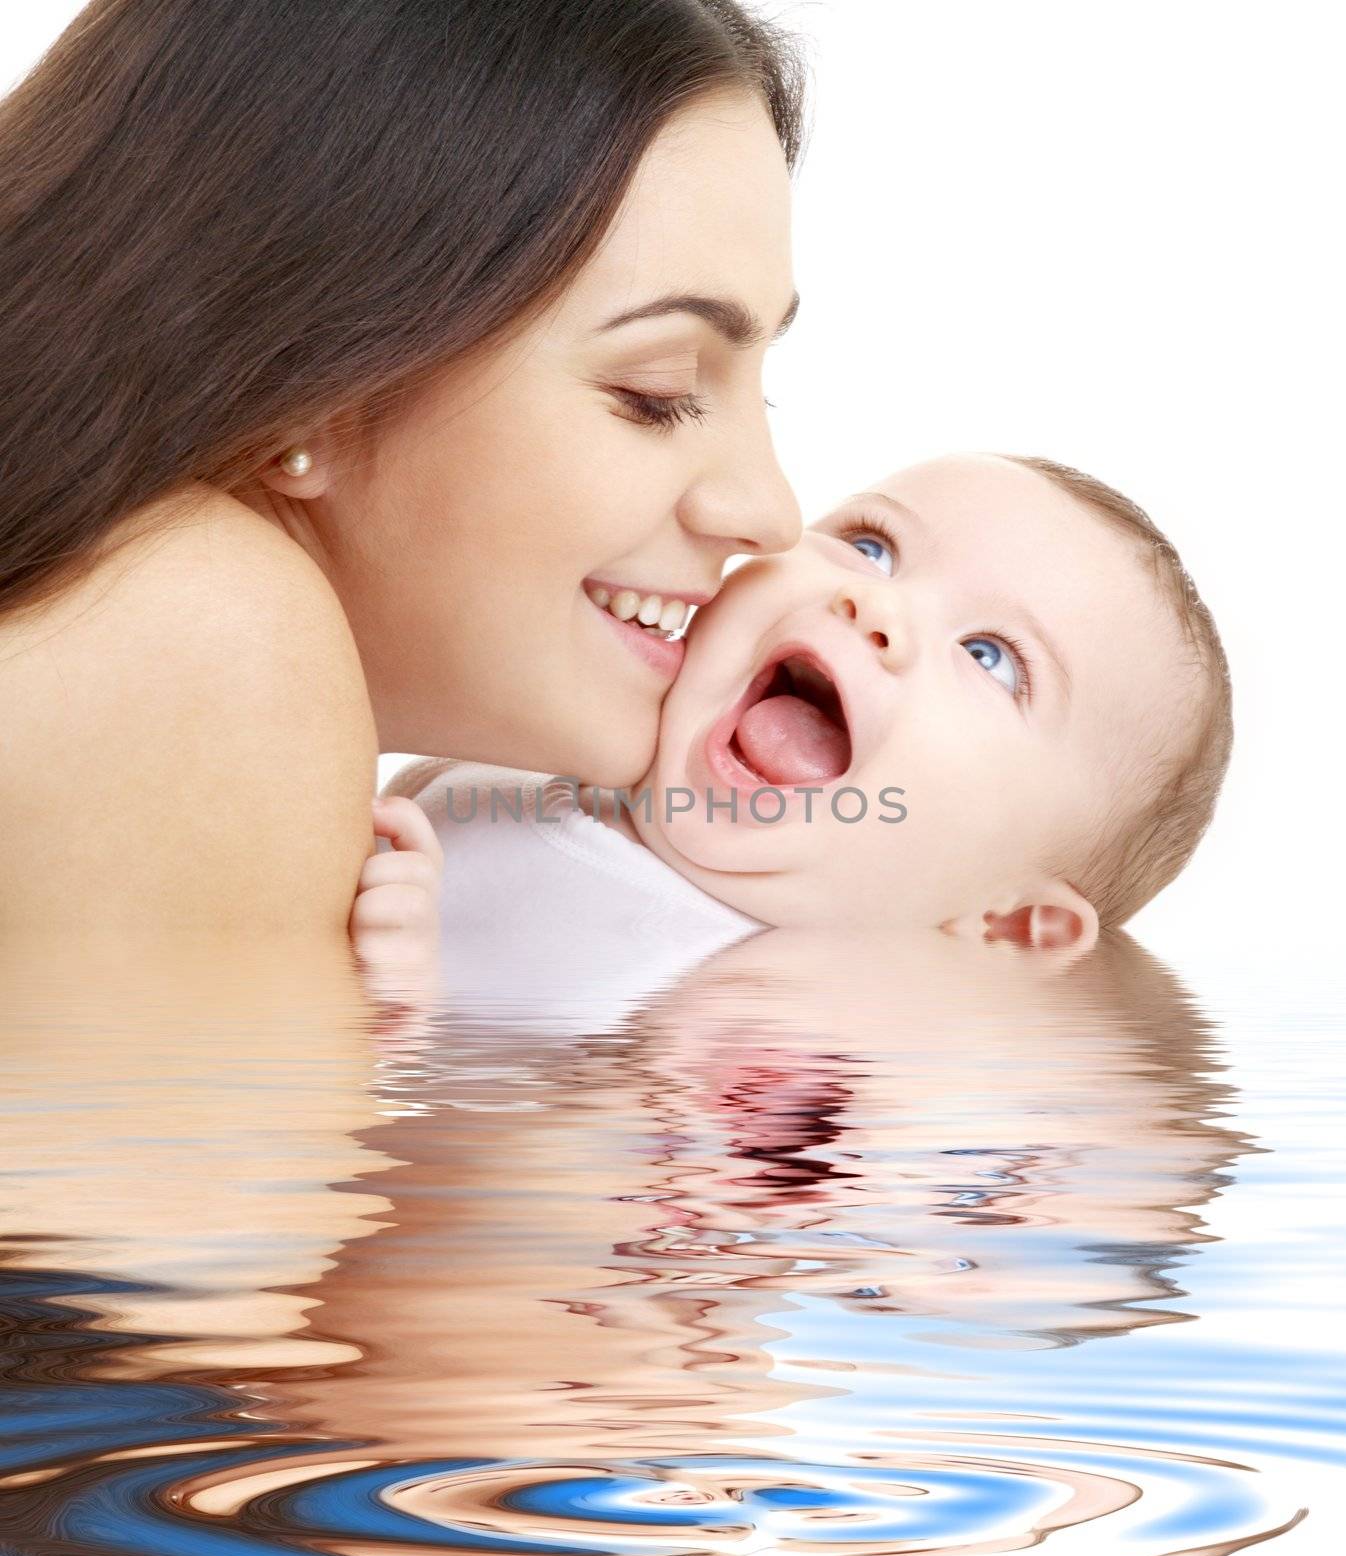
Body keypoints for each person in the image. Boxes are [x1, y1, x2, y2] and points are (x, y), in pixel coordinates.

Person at [0, 0, 804, 939]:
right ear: (310, 383)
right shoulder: (201, 633)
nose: (774, 513)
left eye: (765, 395)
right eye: (654, 390)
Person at [363, 453, 1233, 1001]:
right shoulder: (507, 773)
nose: (874, 601)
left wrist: (396, 983)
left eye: (990, 655)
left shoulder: (763, 1011)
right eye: (872, 545)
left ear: (1009, 925)